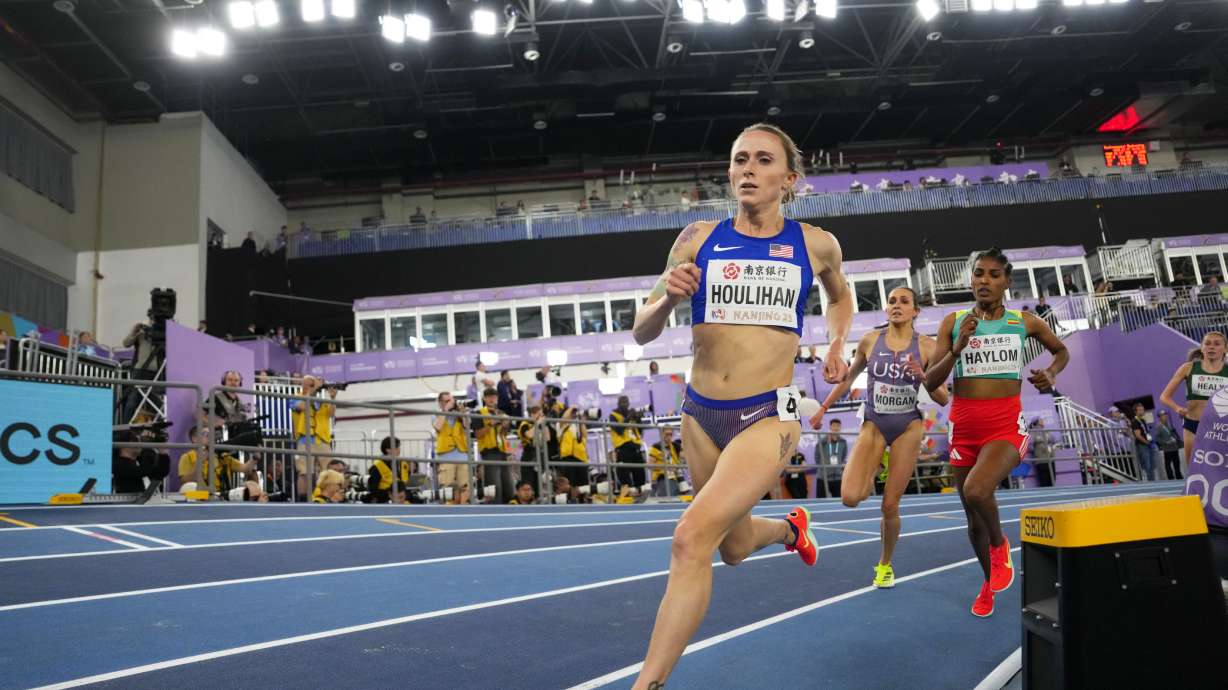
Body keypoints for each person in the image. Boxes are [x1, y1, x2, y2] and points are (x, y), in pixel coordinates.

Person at [628, 122, 852, 689]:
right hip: (700, 414)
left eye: (762, 160)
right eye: (739, 159)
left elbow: (840, 294)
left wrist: (836, 343)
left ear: (789, 179)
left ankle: (646, 683)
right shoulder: (696, 239)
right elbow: (641, 331)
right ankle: (789, 530)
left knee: (689, 539)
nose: (747, 169)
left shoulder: (815, 243)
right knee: (730, 548)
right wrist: (667, 300)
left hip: (768, 415)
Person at [923, 247, 1069, 618]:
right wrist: (956, 349)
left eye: (992, 275)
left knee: (977, 489)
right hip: (964, 426)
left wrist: (1050, 374)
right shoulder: (953, 321)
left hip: (1004, 424)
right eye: (978, 274)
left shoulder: (1025, 322)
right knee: (973, 521)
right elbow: (930, 383)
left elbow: (1060, 351)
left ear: (1006, 282)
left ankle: (1001, 544)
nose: (983, 281)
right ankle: (989, 583)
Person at [810, 286, 949, 588]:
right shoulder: (870, 340)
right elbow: (847, 379)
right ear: (886, 309)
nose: (896, 306)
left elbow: (943, 398)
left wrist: (921, 377)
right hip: (874, 423)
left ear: (915, 311)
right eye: (892, 302)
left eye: (904, 301)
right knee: (850, 497)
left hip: (907, 427)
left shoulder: (926, 347)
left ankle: (885, 565)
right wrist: (823, 407)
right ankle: (878, 460)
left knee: (889, 506)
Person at [1159, 332, 1228, 464]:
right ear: (1202, 348)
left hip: (1220, 427)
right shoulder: (1188, 368)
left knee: (1220, 473)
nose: (1211, 347)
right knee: (1194, 469)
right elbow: (1164, 396)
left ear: (1225, 349)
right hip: (1193, 425)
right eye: (1207, 343)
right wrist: (1178, 408)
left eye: (1217, 344)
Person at [290, 375, 337, 499]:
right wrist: (311, 390)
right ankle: (303, 500)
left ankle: (326, 498)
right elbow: (302, 407)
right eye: (311, 384)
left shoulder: (321, 401)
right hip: (305, 441)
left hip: (322, 440)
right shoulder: (296, 398)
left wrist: (332, 397)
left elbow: (331, 414)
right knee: (304, 473)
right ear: (304, 385)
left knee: (328, 472)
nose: (315, 386)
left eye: (314, 384)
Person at [433, 391, 472, 505]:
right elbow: (438, 427)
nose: (451, 403)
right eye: (447, 401)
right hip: (446, 457)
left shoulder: (459, 414)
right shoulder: (436, 414)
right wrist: (445, 410)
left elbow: (468, 426)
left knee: (465, 489)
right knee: (447, 490)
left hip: (463, 456)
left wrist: (463, 413)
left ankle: (465, 512)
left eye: (452, 400)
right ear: (440, 403)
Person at [475, 387, 513, 503]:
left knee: (508, 484)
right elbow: (477, 434)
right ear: (484, 399)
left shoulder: (502, 413)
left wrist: (505, 425)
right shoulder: (479, 413)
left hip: (503, 452)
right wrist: (491, 423)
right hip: (489, 452)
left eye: (494, 397)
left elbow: (505, 434)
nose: (492, 399)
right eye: (489, 397)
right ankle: (497, 511)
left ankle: (511, 509)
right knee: (495, 485)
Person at [609, 396, 647, 493]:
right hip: (623, 449)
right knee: (625, 479)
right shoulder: (613, 415)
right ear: (618, 404)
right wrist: (628, 417)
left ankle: (640, 495)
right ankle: (627, 497)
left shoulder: (631, 415)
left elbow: (640, 431)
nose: (625, 405)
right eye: (622, 402)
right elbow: (619, 430)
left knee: (640, 476)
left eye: (626, 402)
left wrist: (638, 419)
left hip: (636, 448)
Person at [558, 407, 590, 500]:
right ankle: (571, 503)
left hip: (581, 459)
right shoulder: (561, 426)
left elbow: (585, 436)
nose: (573, 415)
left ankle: (583, 502)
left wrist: (580, 419)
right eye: (572, 413)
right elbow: (564, 419)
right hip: (568, 459)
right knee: (570, 486)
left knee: (583, 486)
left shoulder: (578, 426)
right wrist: (572, 408)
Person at [649, 426, 684, 497]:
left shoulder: (675, 446)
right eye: (667, 434)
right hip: (662, 476)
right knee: (669, 496)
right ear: (661, 434)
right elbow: (650, 466)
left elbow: (684, 457)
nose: (669, 437)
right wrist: (666, 468)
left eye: (671, 434)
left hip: (675, 476)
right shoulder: (656, 447)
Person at [817, 419, 848, 498]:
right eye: (834, 426)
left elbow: (843, 456)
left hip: (838, 477)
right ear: (830, 427)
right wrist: (823, 467)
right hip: (823, 477)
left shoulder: (843, 441)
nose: (836, 428)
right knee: (821, 502)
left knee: (839, 502)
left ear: (840, 427)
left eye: (838, 426)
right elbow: (817, 456)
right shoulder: (823, 441)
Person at [1129, 403, 1156, 481]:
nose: (1142, 411)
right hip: (1142, 446)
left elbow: (1146, 432)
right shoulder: (1134, 421)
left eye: (1143, 409)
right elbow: (1138, 435)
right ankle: (1148, 482)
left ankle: (1153, 481)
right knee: (1146, 465)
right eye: (1140, 410)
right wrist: (1147, 442)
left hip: (1148, 444)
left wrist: (1150, 441)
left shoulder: (1143, 420)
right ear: (1136, 412)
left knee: (1152, 465)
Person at [1153, 410, 1182, 480]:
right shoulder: (1159, 427)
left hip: (1174, 447)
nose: (1165, 417)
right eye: (1163, 416)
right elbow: (1157, 438)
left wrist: (1175, 438)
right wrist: (1165, 442)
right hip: (1167, 449)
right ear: (1159, 418)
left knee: (1177, 463)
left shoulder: (1169, 424)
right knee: (1168, 464)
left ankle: (1179, 475)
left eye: (1165, 415)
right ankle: (1171, 477)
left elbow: (1173, 433)